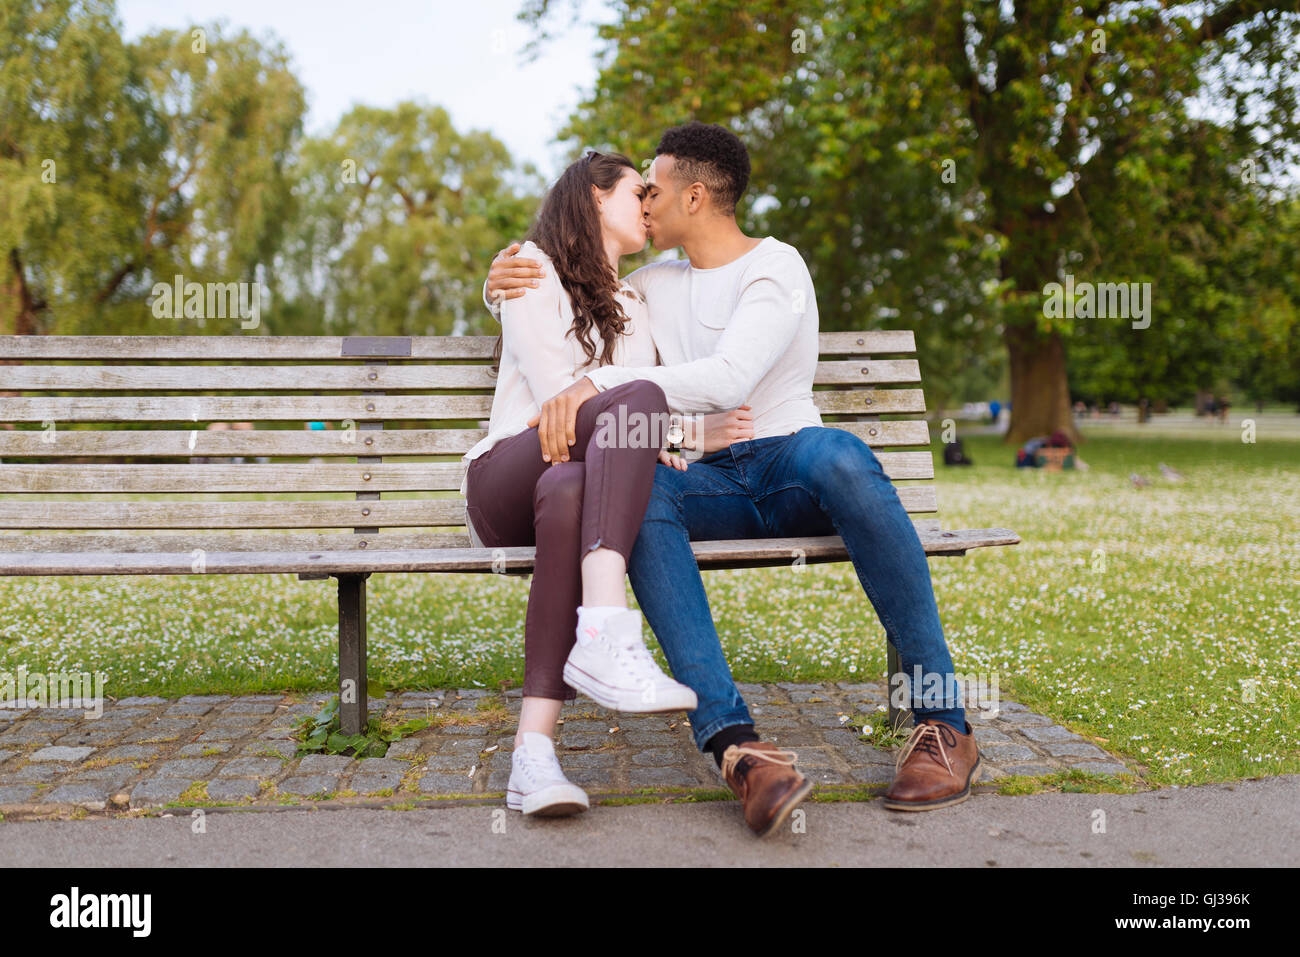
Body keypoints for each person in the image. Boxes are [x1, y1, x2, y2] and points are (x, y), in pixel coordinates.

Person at [487, 122, 981, 835]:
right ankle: (737, 748)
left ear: (694, 195)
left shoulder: (775, 267)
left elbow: (729, 380)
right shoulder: (653, 283)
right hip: (705, 479)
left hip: (789, 467)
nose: (645, 203)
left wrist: (598, 382)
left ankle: (943, 722)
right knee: (644, 492)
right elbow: (569, 286)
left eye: (653, 189)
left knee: (840, 453)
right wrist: (493, 282)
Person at [465, 149, 752, 818]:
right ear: (596, 199)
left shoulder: (633, 300)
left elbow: (623, 427)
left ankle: (531, 757)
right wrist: (662, 433)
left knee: (571, 487)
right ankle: (606, 629)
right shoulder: (530, 269)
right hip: (504, 475)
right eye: (637, 192)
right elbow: (557, 412)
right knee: (627, 406)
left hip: (566, 486)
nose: (649, 207)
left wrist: (679, 437)